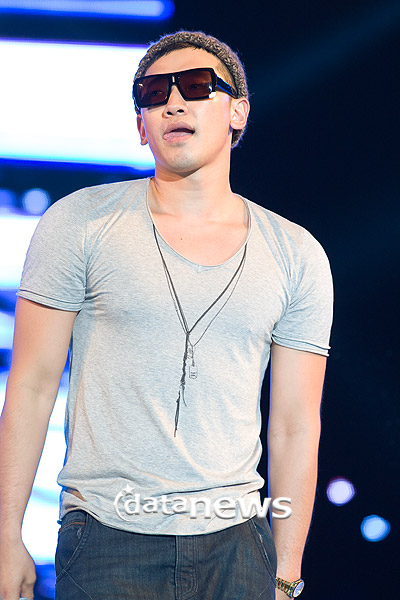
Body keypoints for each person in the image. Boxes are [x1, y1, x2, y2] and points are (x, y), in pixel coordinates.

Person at [0, 30, 333, 600]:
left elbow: (295, 423)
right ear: (141, 125)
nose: (174, 102)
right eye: (154, 94)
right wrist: (7, 536)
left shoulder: (295, 253)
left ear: (237, 112)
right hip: (106, 536)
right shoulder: (80, 223)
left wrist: (286, 573)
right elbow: (30, 385)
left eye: (197, 86)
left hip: (236, 544)